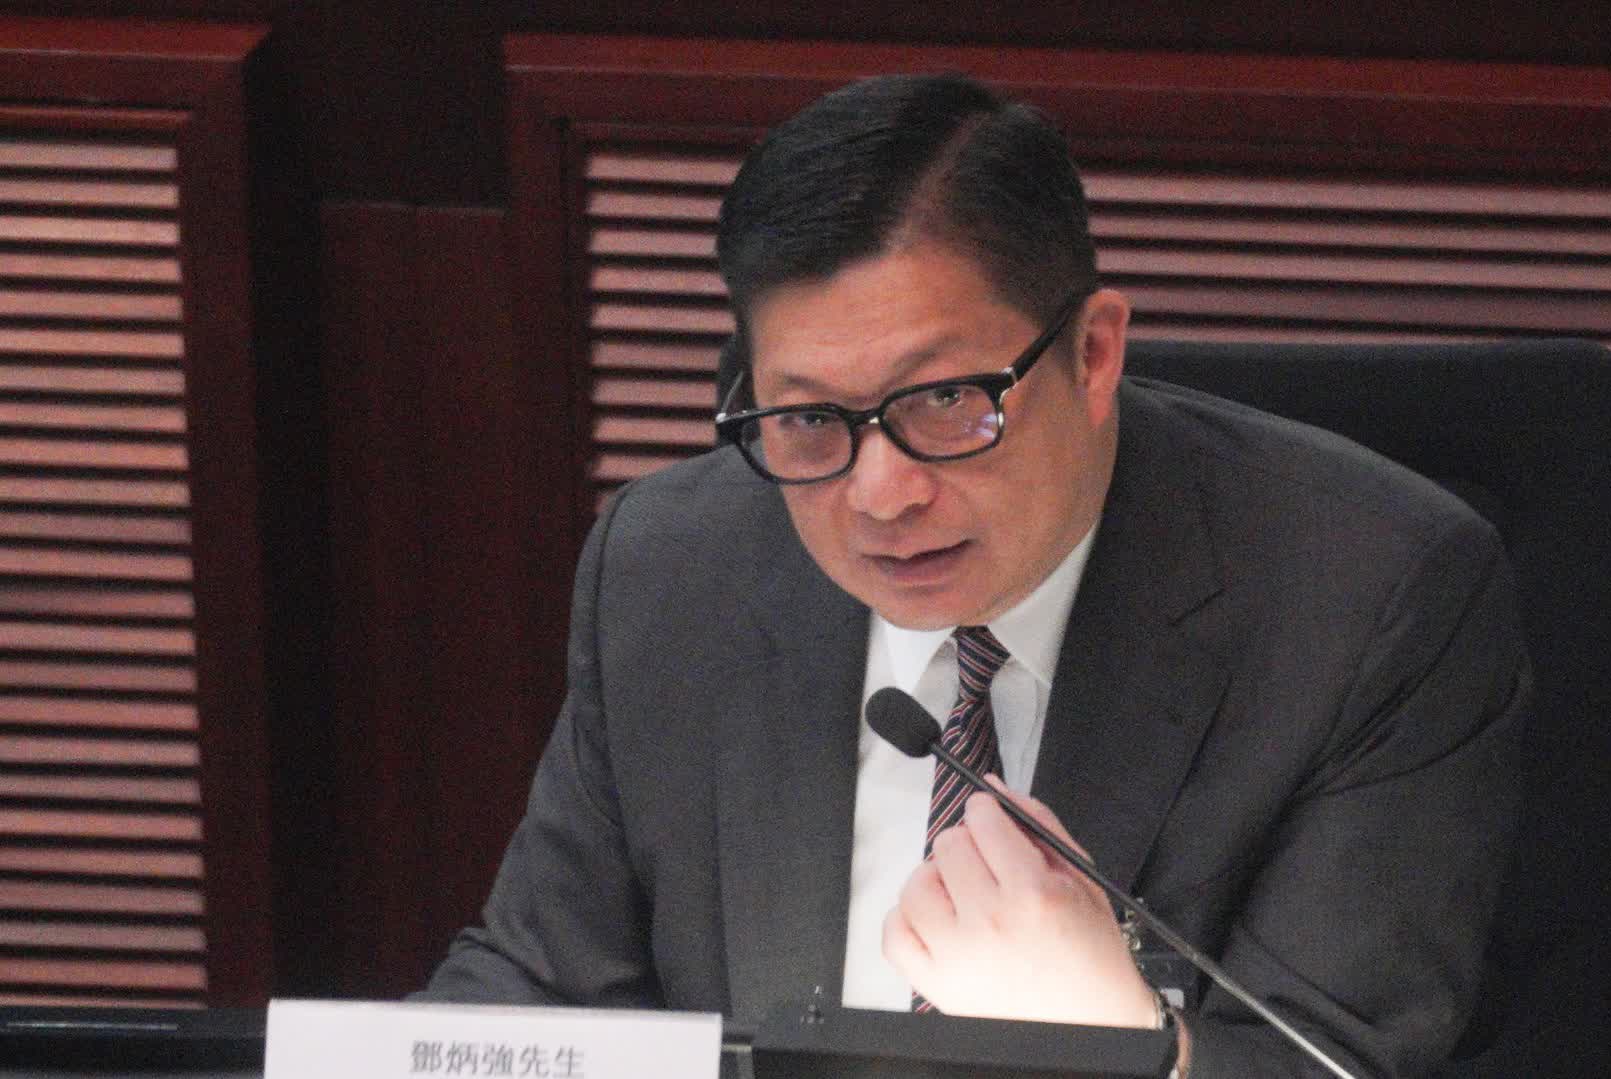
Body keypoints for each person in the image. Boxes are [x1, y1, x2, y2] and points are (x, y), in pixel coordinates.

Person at [421, 72, 1529, 1078]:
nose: (881, 493)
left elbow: (1340, 1059)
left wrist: (1128, 1040)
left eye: (947, 400)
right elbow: (539, 987)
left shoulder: (1371, 601)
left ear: (1093, 353)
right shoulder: (674, 568)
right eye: (808, 418)